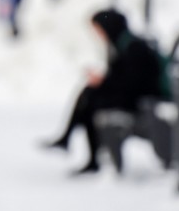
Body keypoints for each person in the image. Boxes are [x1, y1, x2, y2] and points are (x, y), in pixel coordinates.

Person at [42, 9, 170, 175]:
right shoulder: (123, 44)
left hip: (142, 101)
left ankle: (75, 144)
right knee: (90, 95)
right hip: (134, 96)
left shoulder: (133, 47)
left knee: (91, 101)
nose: (98, 35)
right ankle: (71, 141)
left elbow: (132, 83)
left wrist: (104, 82)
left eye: (99, 30)